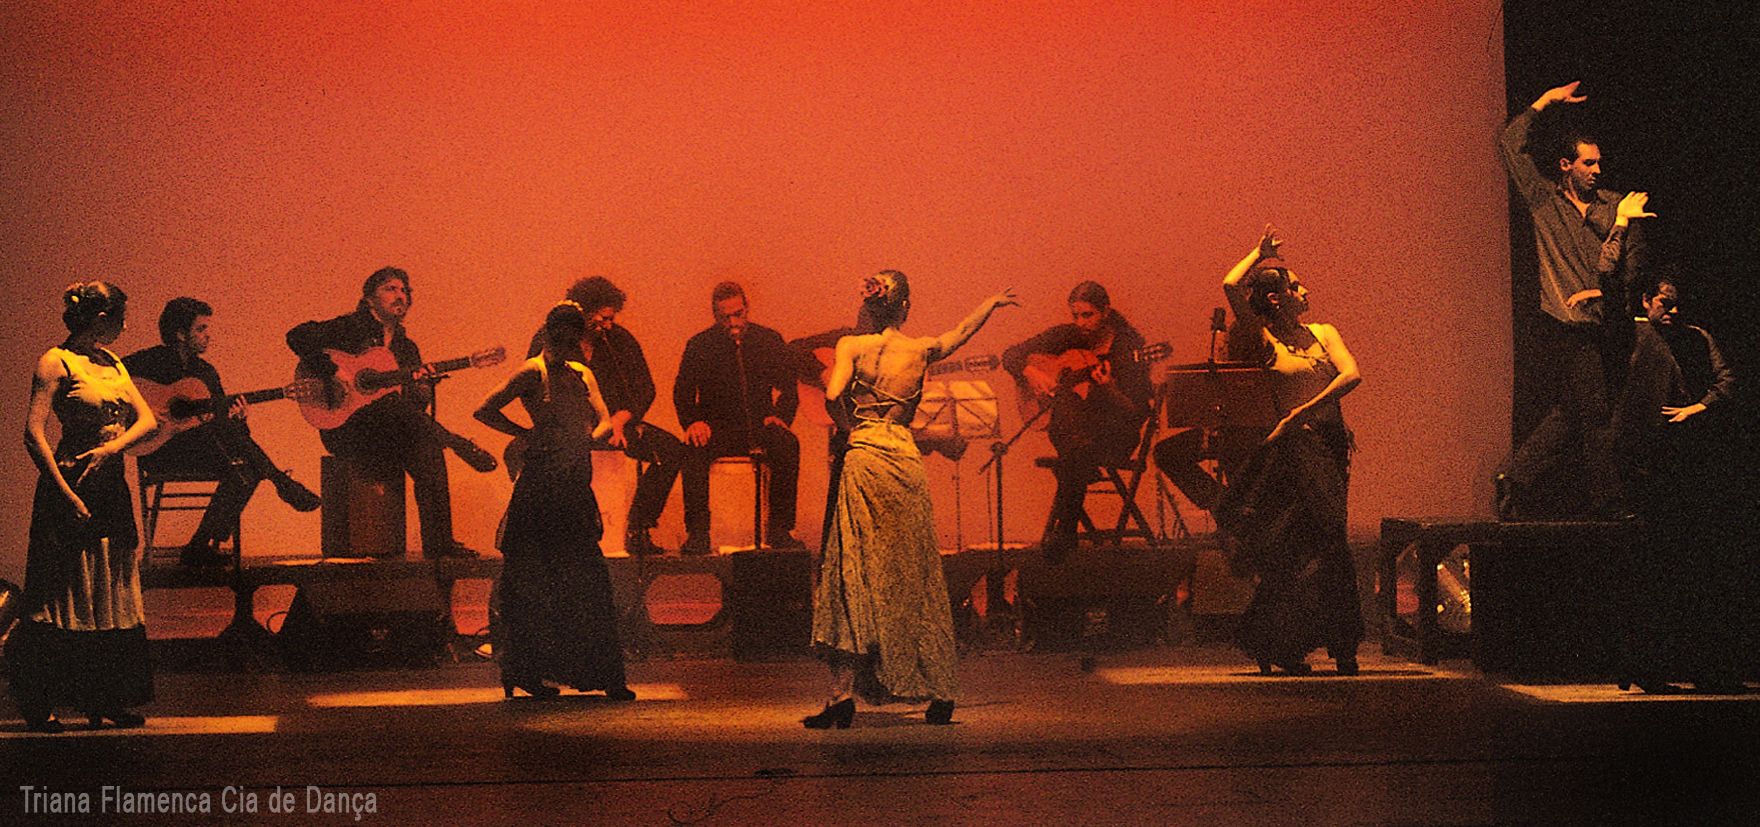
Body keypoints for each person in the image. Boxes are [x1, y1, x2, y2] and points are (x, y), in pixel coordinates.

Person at [805, 271, 1017, 729]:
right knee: (914, 572)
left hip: (864, 457)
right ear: (904, 308)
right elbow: (961, 332)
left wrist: (850, 429)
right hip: (902, 458)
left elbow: (834, 393)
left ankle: (841, 696)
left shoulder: (850, 347)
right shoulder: (918, 349)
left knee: (854, 573)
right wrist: (990, 302)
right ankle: (939, 692)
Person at [1496, 80, 1654, 520]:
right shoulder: (1544, 200)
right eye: (1588, 163)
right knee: (1594, 414)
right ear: (1566, 165)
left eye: (1600, 163)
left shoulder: (1617, 206)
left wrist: (1603, 290)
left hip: (1610, 324)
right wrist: (1544, 104)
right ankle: (1610, 501)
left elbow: (1631, 267)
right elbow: (1510, 145)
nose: (1597, 170)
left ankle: (1516, 475)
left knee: (1572, 413)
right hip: (1565, 326)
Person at [1212, 228, 1364, 676]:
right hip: (1296, 451)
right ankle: (1320, 641)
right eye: (1295, 285)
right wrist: (1257, 256)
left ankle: (1300, 641)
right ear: (1276, 299)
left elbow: (1351, 375)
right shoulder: (1265, 340)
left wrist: (1301, 411)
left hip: (1328, 444)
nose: (1305, 290)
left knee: (1321, 542)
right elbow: (1229, 286)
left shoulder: (1323, 332)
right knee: (1318, 542)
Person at [8, 282, 158, 733]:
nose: (125, 327)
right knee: (63, 592)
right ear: (98, 318)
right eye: (118, 318)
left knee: (109, 588)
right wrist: (64, 493)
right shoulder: (57, 361)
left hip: (111, 484)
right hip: (72, 482)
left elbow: (147, 419)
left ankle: (105, 697)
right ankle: (41, 701)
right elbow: (33, 432)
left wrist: (115, 450)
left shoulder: (111, 362)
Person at [475, 302, 635, 701]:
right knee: (534, 582)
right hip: (542, 488)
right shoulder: (533, 371)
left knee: (584, 579)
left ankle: (600, 673)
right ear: (550, 335)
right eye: (563, 341)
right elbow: (484, 409)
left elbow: (603, 417)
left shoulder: (581, 373)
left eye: (573, 342)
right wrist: (525, 433)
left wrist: (592, 436)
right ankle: (527, 672)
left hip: (573, 484)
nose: (569, 348)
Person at [1612, 276, 1745, 694]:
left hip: (1688, 470)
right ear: (1648, 302)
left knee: (1693, 570)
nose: (1671, 311)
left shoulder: (1695, 338)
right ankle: (1644, 666)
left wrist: (1696, 408)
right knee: (1656, 570)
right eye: (1664, 303)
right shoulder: (1637, 335)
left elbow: (1726, 381)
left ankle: (1702, 668)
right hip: (1648, 470)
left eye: (1677, 305)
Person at [286, 267, 474, 558]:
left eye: (404, 290)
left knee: (428, 450)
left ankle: (440, 546)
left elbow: (411, 410)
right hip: (346, 429)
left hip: (389, 432)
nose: (400, 296)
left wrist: (421, 389)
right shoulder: (347, 328)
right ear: (369, 299)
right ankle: (458, 442)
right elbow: (297, 336)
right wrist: (335, 372)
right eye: (390, 289)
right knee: (387, 405)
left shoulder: (406, 347)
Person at [124, 298, 320, 567]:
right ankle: (279, 480)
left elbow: (221, 420)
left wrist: (239, 418)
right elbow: (107, 383)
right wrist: (141, 413)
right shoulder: (145, 363)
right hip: (159, 450)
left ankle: (198, 546)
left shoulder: (205, 373)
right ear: (181, 334)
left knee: (244, 471)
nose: (208, 336)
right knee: (236, 453)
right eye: (201, 329)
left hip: (200, 449)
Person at [529, 277, 683, 557]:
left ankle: (638, 527)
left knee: (671, 451)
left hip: (616, 427)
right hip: (566, 431)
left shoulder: (619, 340)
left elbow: (644, 388)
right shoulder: (548, 340)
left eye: (611, 318)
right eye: (602, 318)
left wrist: (620, 420)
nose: (608, 325)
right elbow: (534, 390)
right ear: (584, 313)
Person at [1001, 281, 1153, 562]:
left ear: (1105, 311)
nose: (1080, 323)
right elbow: (1009, 355)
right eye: (1076, 315)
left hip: (1115, 435)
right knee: (1069, 411)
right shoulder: (1069, 336)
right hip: (1077, 434)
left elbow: (1136, 412)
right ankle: (1078, 484)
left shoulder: (1129, 345)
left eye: (1088, 315)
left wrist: (1109, 389)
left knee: (1073, 450)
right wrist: (1030, 372)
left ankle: (1067, 528)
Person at [674, 281, 804, 553]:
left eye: (738, 313)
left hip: (760, 424)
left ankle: (781, 530)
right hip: (718, 428)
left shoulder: (768, 340)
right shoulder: (700, 345)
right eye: (726, 316)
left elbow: (789, 386)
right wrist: (693, 422)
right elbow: (683, 392)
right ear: (715, 315)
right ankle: (698, 534)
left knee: (787, 444)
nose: (734, 321)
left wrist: (781, 417)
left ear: (746, 309)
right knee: (692, 451)